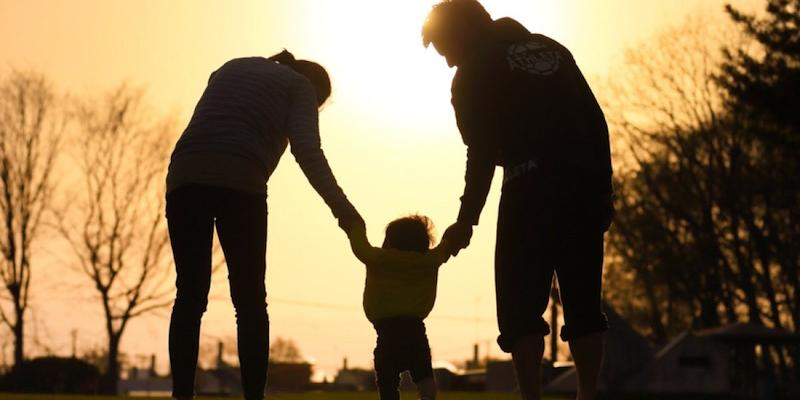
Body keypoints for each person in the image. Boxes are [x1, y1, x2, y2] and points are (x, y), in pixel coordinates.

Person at [421, 2, 614, 400]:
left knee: (519, 309)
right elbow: (595, 120)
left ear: (461, 33)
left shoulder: (473, 71)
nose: (448, 62)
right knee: (583, 303)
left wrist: (466, 219)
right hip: (582, 188)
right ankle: (588, 394)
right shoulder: (553, 49)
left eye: (445, 50)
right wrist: (603, 190)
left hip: (527, 188)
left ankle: (530, 396)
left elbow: (480, 151)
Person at [165, 50, 362, 400]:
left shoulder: (232, 65)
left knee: (189, 296)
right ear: (316, 94)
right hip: (241, 181)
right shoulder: (300, 87)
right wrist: (344, 210)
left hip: (184, 176)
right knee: (250, 301)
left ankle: (182, 396)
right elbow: (307, 151)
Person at [347, 215, 451, 400]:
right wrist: (462, 226)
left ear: (389, 242)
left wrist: (352, 221)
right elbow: (449, 241)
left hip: (387, 335)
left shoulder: (378, 258)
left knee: (387, 383)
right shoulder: (429, 260)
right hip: (416, 333)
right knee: (425, 377)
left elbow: (358, 241)